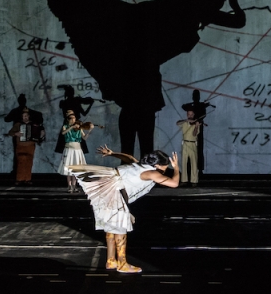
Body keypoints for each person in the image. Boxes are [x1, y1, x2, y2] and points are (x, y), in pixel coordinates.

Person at [48, 0, 245, 157]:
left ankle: (140, 158)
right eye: (216, 4)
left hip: (144, 67)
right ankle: (133, 158)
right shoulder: (173, 9)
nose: (215, 9)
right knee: (138, 111)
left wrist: (234, 4)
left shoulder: (190, 11)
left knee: (141, 112)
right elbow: (134, 21)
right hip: (136, 65)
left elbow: (237, 21)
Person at [69, 145, 180, 273]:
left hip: (108, 191)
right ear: (157, 165)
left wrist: (112, 153)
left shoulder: (139, 165)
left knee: (112, 227)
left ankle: (111, 260)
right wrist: (176, 167)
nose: (166, 169)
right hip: (114, 194)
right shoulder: (152, 173)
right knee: (120, 227)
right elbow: (174, 183)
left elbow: (129, 158)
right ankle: (122, 264)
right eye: (165, 166)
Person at [58, 110, 93, 193]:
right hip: (69, 150)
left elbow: (84, 138)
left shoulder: (79, 128)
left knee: (76, 169)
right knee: (68, 168)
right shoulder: (65, 126)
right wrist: (71, 127)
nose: (73, 120)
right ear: (68, 119)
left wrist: (89, 131)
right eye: (71, 118)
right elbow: (63, 133)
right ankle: (69, 186)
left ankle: (74, 186)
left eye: (74, 118)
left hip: (77, 151)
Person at [8, 108, 45, 185]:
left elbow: (40, 133)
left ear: (29, 116)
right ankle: (19, 179)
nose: (25, 117)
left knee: (29, 162)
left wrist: (41, 134)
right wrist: (16, 133)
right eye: (24, 116)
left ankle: (27, 179)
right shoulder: (18, 124)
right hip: (20, 145)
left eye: (26, 116)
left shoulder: (34, 124)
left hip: (30, 145)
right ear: (21, 117)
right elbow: (10, 133)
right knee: (20, 162)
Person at [181, 89, 213, 175]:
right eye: (194, 96)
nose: (195, 97)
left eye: (196, 96)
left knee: (199, 148)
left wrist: (202, 105)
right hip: (190, 128)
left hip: (198, 127)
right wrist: (197, 105)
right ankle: (190, 169)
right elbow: (183, 106)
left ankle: (199, 169)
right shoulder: (194, 106)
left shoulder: (200, 106)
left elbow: (203, 115)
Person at [176, 109, 202, 186]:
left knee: (194, 162)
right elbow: (177, 123)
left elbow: (194, 134)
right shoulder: (184, 123)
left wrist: (196, 126)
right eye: (188, 114)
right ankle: (184, 180)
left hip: (193, 144)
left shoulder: (196, 123)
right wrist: (186, 120)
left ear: (194, 115)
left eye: (191, 114)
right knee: (184, 162)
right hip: (185, 143)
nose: (190, 116)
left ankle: (194, 180)